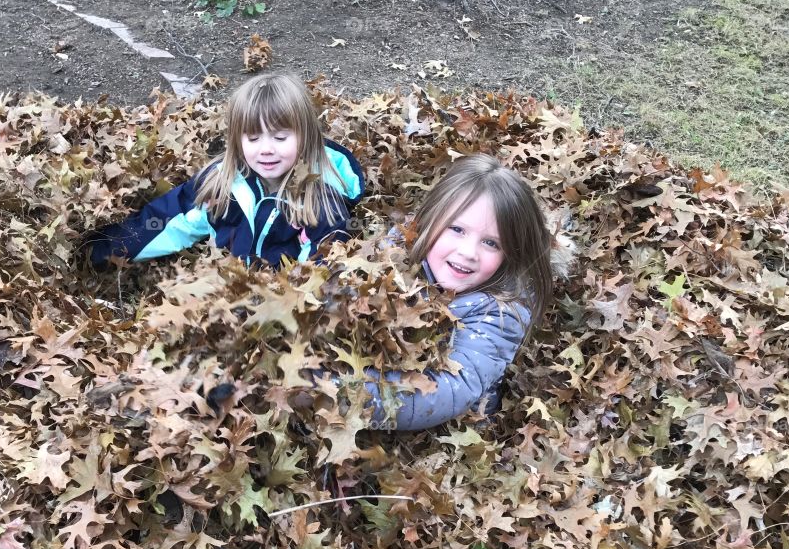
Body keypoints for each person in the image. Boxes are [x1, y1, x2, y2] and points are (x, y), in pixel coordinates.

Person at [86, 72, 366, 269]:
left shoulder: (320, 199)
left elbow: (320, 268)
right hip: (232, 292)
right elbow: (170, 221)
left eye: (280, 138)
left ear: (305, 138)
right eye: (253, 139)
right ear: (237, 140)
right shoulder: (223, 184)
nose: (266, 149)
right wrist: (102, 250)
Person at [359, 155, 555, 431]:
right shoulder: (397, 249)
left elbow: (448, 391)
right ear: (429, 221)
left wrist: (350, 393)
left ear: (510, 254)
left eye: (490, 243)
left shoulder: (501, 314)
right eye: (457, 229)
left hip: (454, 414)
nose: (468, 252)